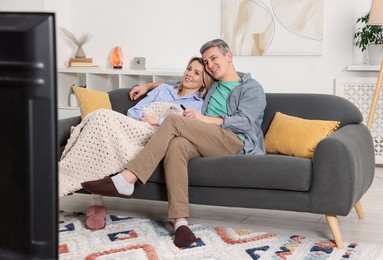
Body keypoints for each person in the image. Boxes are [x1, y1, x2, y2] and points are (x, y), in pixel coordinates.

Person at [81, 39, 266, 247]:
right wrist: (147, 86)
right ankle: (180, 223)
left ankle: (127, 179)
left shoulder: (250, 87)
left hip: (234, 140)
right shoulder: (212, 85)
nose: (210, 65)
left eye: (213, 58)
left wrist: (205, 119)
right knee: (177, 145)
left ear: (229, 56)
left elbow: (246, 121)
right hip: (205, 138)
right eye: (206, 62)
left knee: (174, 121)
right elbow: (174, 84)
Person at [59, 56, 212, 230]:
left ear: (204, 82)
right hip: (137, 126)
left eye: (196, 73)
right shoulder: (164, 90)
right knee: (99, 117)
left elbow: (185, 128)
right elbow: (135, 111)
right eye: (189, 68)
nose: (189, 74)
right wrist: (148, 119)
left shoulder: (198, 106)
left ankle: (95, 201)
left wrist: (160, 121)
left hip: (157, 138)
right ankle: (90, 198)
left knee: (102, 116)